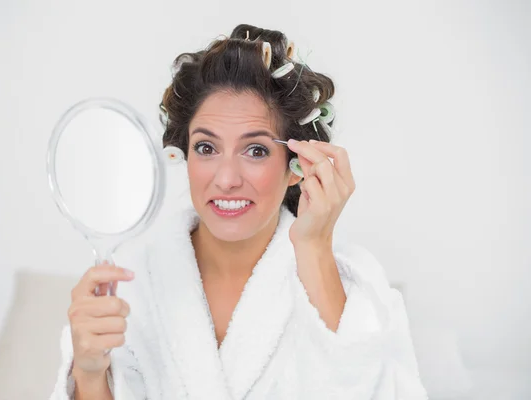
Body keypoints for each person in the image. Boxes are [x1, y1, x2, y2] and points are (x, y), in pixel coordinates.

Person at [50, 24, 428, 399]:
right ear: (183, 154)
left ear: (296, 166)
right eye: (206, 148)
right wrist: (89, 374)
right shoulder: (130, 283)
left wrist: (314, 246)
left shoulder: (356, 289)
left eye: (257, 150)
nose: (226, 179)